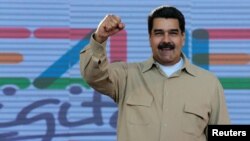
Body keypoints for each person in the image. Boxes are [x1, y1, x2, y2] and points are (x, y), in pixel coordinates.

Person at [80, 5, 230, 141]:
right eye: (158, 33)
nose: (166, 40)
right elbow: (93, 76)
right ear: (150, 38)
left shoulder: (209, 84)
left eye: (173, 33)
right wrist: (99, 38)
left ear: (183, 38)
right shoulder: (126, 76)